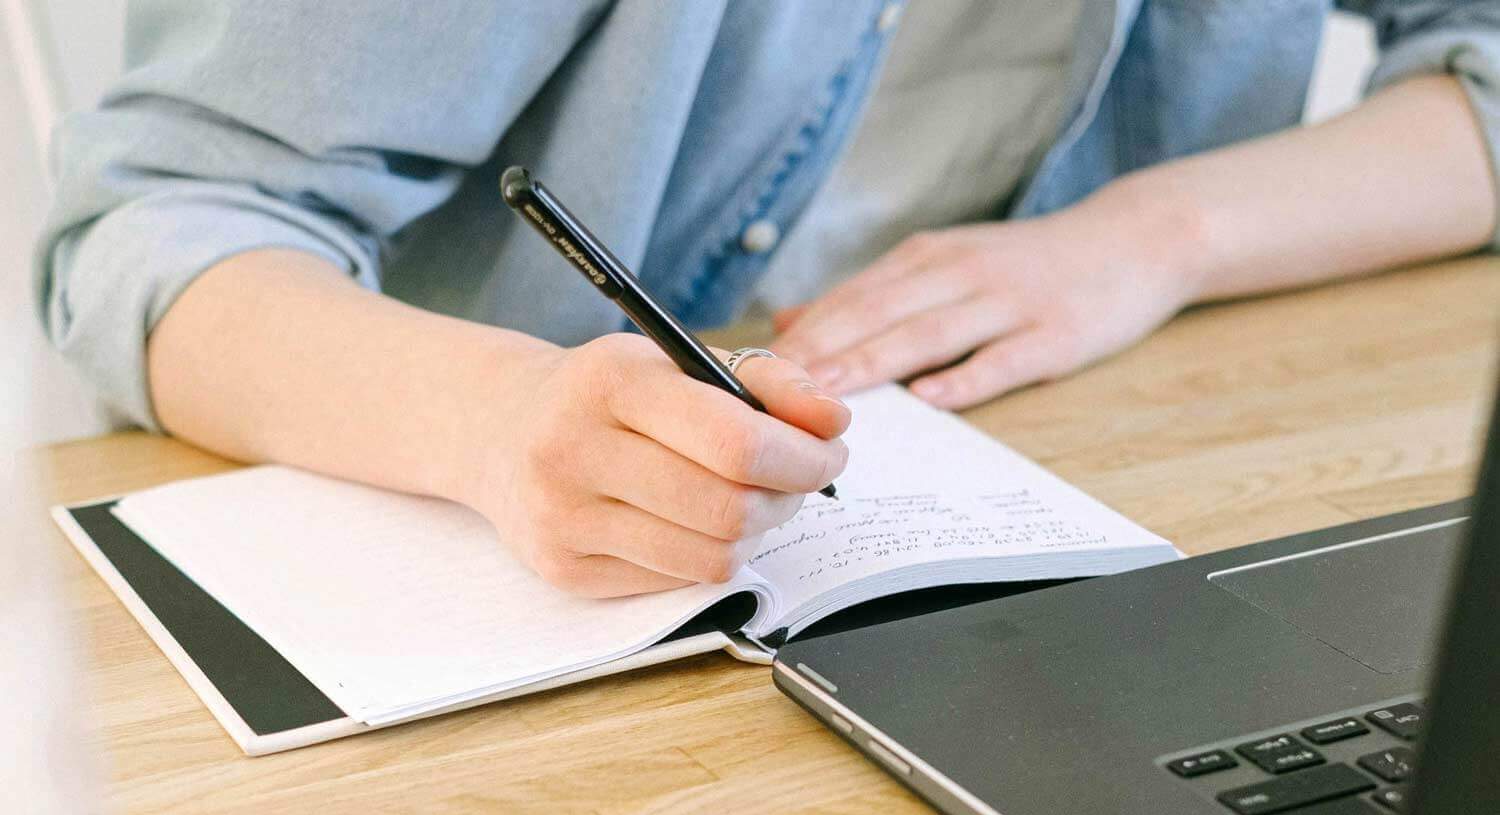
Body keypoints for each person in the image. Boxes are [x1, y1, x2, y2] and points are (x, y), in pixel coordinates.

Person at [38, 2, 1499, 599]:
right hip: (538, 594)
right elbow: (151, 232)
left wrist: (1156, 236)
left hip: (1103, 526)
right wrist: (492, 420)